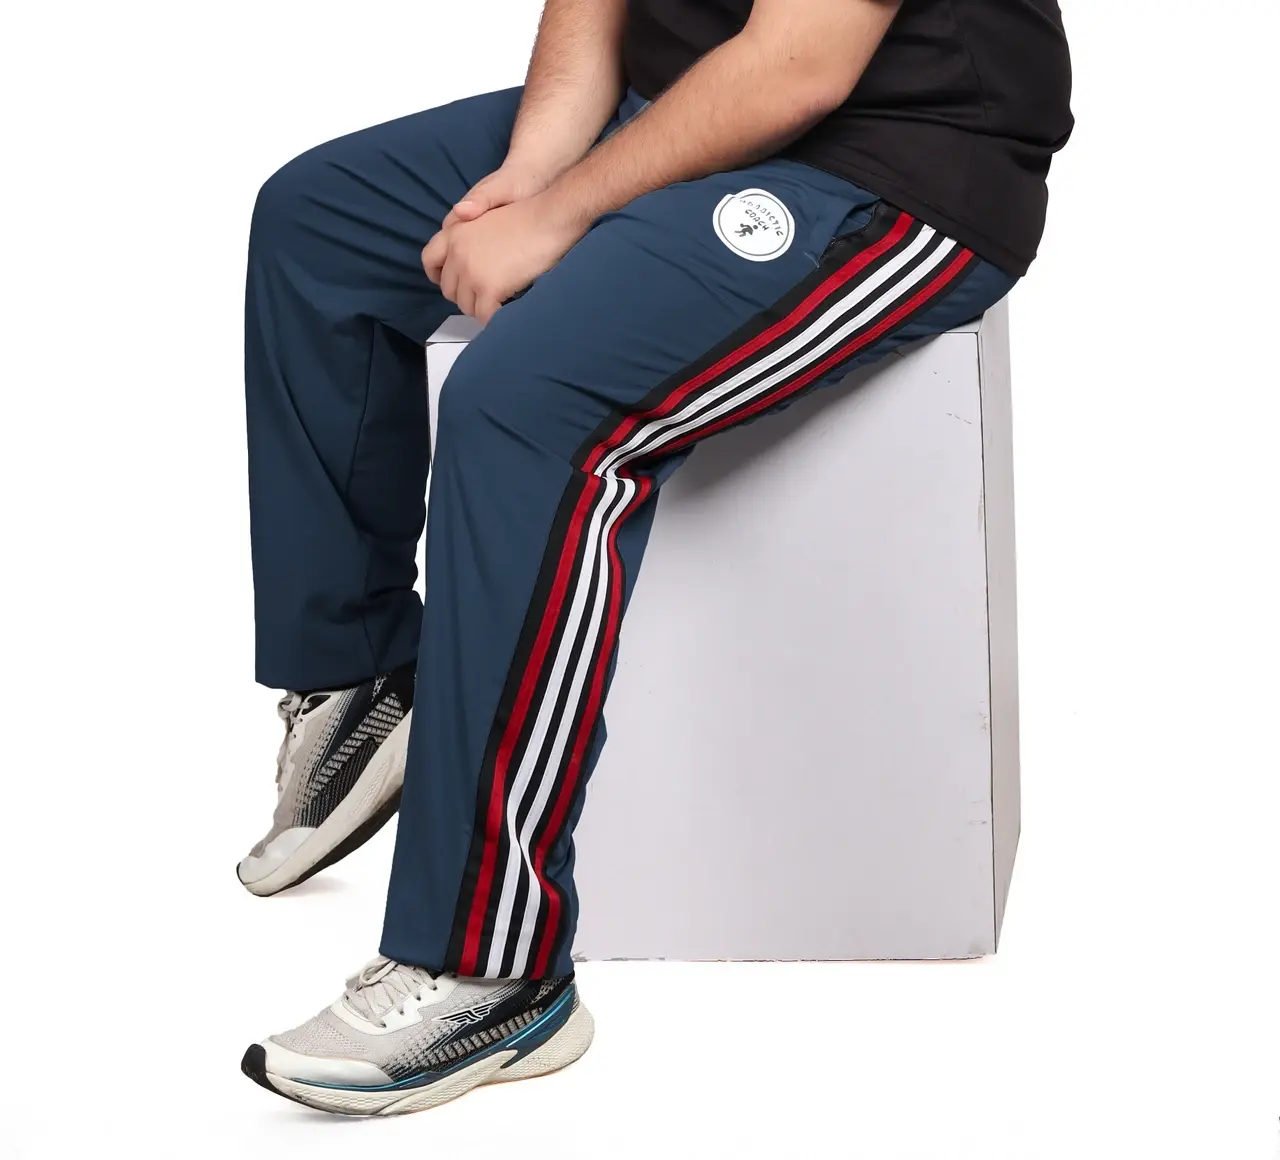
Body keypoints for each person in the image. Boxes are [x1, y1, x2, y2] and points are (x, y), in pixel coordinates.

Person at [237, 0, 1072, 1115]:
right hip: (687, 109)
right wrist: (531, 177)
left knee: (524, 404)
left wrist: (561, 216)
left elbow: (799, 65)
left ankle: (493, 966)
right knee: (320, 224)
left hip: (891, 166)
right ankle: (362, 680)